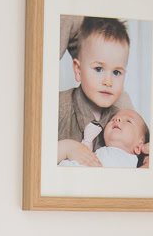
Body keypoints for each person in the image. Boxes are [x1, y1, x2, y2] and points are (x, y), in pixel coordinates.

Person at [56, 17, 136, 166]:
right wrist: (65, 148)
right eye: (99, 69)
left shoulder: (122, 123)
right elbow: (34, 156)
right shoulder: (57, 108)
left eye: (117, 72)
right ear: (78, 70)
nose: (108, 81)